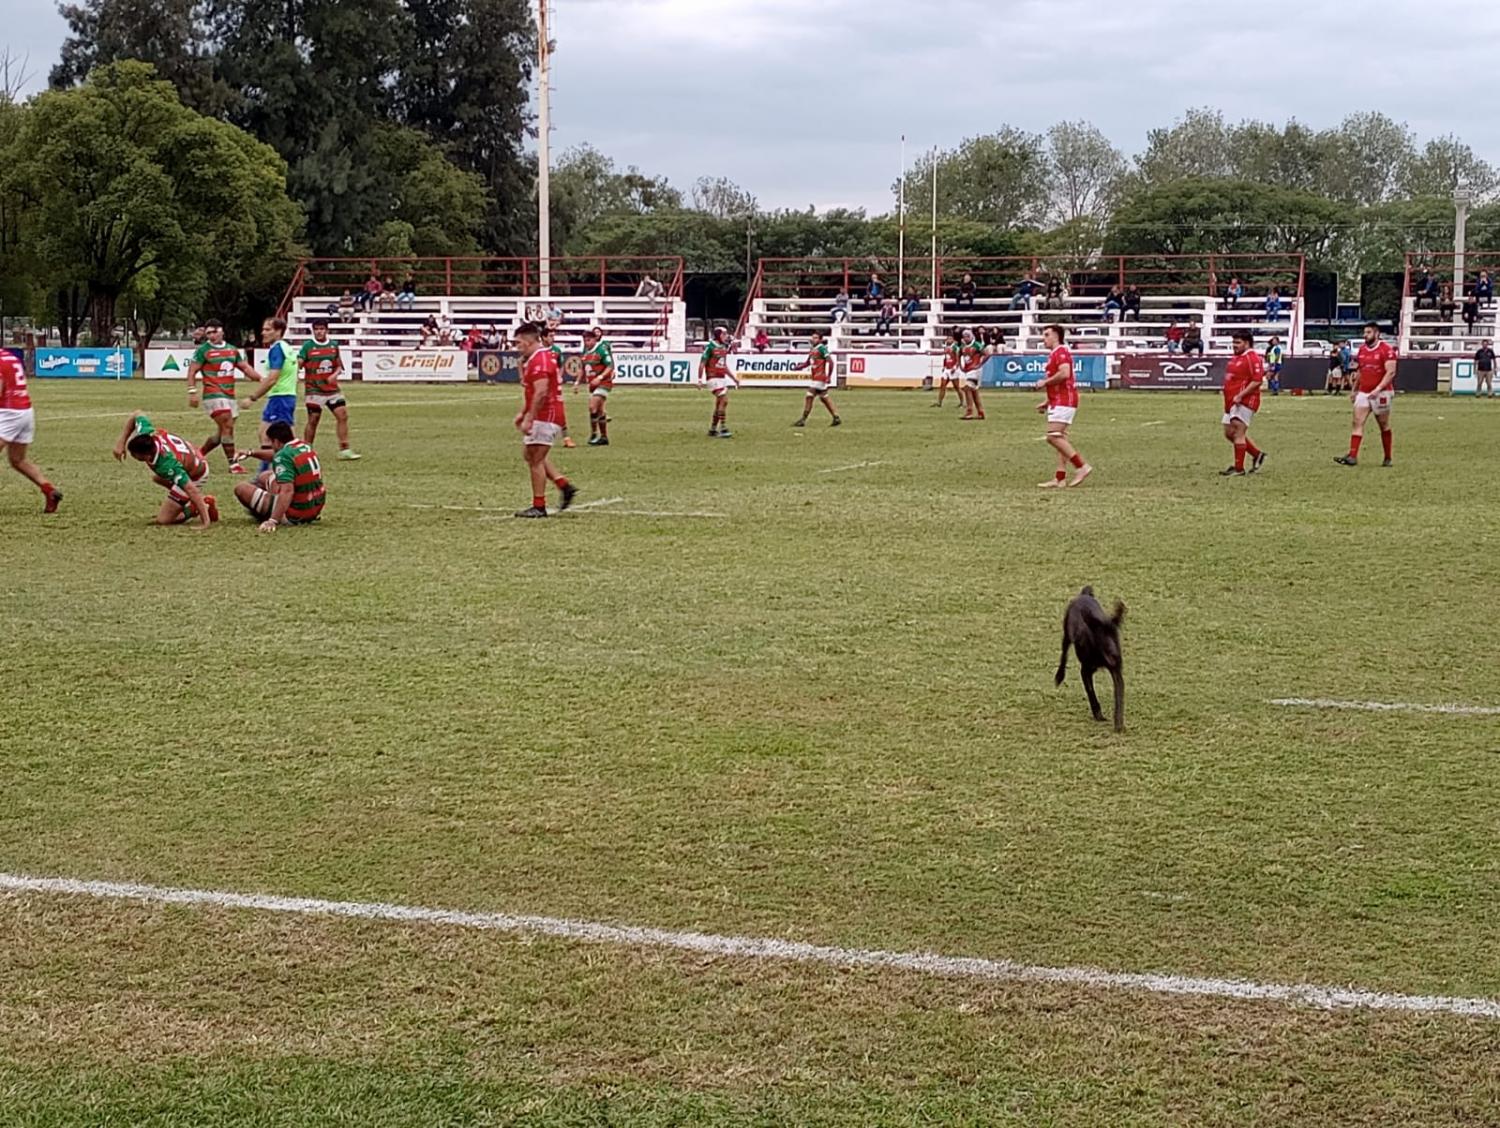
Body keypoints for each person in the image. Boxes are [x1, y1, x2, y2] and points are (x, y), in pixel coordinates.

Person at [512, 321, 577, 517]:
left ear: (528, 341)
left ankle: (539, 505)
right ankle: (563, 485)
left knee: (535, 459)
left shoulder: (539, 360)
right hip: (546, 414)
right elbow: (534, 392)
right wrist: (524, 413)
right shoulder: (538, 358)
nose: (517, 347)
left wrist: (529, 418)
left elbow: (540, 393)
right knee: (530, 455)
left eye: (518, 343)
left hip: (546, 414)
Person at [112, 412, 216, 528]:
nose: (132, 455)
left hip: (196, 474)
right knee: (157, 478)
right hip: (192, 456)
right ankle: (187, 501)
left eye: (135, 455)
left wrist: (205, 522)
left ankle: (197, 507)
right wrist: (121, 442)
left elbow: (191, 489)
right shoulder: (147, 434)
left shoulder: (168, 465)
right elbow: (137, 414)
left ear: (147, 456)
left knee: (164, 519)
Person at [187, 318, 259, 475]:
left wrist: (262, 379)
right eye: (208, 333)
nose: (212, 335)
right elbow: (192, 371)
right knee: (227, 426)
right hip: (213, 395)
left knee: (222, 433)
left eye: (214, 331)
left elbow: (245, 368)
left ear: (222, 331)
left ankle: (198, 455)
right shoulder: (203, 350)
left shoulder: (232, 350)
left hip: (229, 396)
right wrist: (192, 391)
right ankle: (233, 464)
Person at [233, 422, 326, 533]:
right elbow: (277, 455)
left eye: (271, 442)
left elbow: (287, 491)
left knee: (241, 488)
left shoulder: (283, 456)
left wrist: (273, 521)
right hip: (315, 507)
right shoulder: (303, 446)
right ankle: (272, 505)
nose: (271, 445)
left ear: (276, 441)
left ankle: (273, 514)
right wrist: (250, 453)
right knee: (265, 476)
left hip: (297, 513)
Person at [0, 349, 63, 513]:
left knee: (18, 460)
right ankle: (49, 490)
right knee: (17, 460)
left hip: (8, 412)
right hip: (25, 411)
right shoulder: (9, 356)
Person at [1035, 324, 1091, 489]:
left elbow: (1065, 373)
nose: (1043, 338)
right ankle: (1060, 478)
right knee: (1060, 438)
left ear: (1056, 336)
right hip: (1059, 400)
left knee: (1052, 436)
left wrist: (1044, 382)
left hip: (1065, 399)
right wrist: (1047, 401)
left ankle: (1082, 466)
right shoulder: (1055, 353)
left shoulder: (1061, 352)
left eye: (1046, 335)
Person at [1335, 322, 1397, 467]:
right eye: (1364, 332)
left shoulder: (1386, 350)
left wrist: (1378, 389)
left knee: (1383, 424)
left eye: (1368, 332)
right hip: (1364, 392)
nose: (1365, 335)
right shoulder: (1362, 350)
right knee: (1357, 422)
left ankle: (1388, 457)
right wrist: (1355, 389)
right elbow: (1360, 371)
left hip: (1382, 393)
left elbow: (1391, 372)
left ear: (1377, 334)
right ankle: (1352, 455)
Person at [239, 317, 299, 465]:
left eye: (267, 329)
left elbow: (273, 378)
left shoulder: (277, 350)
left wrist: (252, 398)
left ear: (278, 331)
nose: (263, 332)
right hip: (286, 396)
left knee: (268, 437)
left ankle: (268, 472)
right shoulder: (286, 347)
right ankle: (292, 464)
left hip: (280, 398)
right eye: (263, 329)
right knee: (283, 437)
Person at [298, 318, 359, 460]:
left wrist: (334, 375)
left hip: (332, 390)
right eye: (316, 329)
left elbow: (339, 366)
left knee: (342, 415)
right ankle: (307, 450)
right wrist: (295, 370)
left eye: (321, 329)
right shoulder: (308, 346)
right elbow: (299, 363)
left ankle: (345, 449)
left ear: (327, 330)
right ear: (313, 331)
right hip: (314, 390)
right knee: (313, 419)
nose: (319, 332)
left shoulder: (333, 345)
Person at [1220, 330, 1267, 476]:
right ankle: (1257, 454)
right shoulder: (1237, 357)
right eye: (1233, 342)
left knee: (1238, 432)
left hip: (1245, 400)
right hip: (1231, 401)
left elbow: (1257, 380)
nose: (1234, 345)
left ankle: (1238, 468)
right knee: (1229, 433)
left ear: (1247, 343)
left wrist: (1241, 395)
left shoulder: (1252, 358)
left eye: (1238, 342)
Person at [792, 331, 841, 428]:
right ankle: (836, 417)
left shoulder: (822, 348)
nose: (813, 339)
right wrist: (799, 367)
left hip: (819, 377)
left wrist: (829, 376)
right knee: (824, 398)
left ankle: (803, 420)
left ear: (820, 339)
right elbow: (808, 362)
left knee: (809, 396)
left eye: (815, 338)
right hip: (816, 377)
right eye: (812, 337)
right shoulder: (813, 349)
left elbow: (830, 362)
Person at [578, 326, 615, 445]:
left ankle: (594, 434)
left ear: (594, 340)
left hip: (604, 383)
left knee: (592, 407)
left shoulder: (601, 350)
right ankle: (604, 437)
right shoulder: (585, 352)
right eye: (585, 340)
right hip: (592, 385)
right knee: (599, 412)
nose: (587, 343)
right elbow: (583, 369)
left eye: (589, 340)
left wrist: (600, 377)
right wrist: (577, 382)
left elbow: (610, 366)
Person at [698, 327, 738, 437]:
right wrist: (700, 379)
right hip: (713, 378)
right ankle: (723, 428)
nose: (726, 336)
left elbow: (723, 366)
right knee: (724, 400)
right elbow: (702, 362)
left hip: (721, 378)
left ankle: (713, 429)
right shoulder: (710, 347)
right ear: (718, 335)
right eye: (724, 334)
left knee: (719, 404)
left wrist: (734, 378)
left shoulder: (723, 348)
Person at [957, 328, 986, 421]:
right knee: (974, 392)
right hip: (968, 370)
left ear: (971, 336)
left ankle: (969, 411)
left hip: (975, 370)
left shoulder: (977, 345)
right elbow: (959, 354)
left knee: (967, 388)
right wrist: (960, 366)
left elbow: (987, 354)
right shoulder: (963, 346)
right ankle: (980, 412)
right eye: (964, 336)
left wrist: (980, 364)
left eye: (967, 336)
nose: (965, 338)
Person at [935, 329, 962, 408]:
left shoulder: (955, 348)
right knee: (942, 385)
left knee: (956, 387)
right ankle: (939, 402)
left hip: (953, 369)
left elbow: (958, 359)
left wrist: (955, 367)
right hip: (947, 369)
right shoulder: (946, 347)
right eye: (948, 338)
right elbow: (945, 358)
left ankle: (962, 402)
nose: (949, 340)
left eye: (950, 338)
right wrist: (944, 366)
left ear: (953, 339)